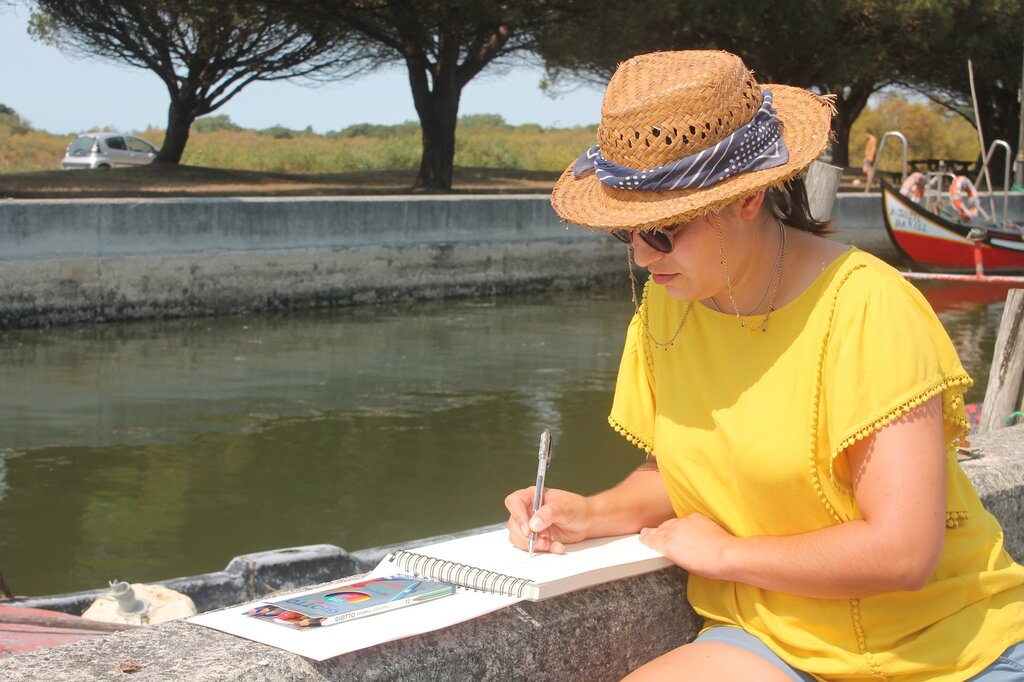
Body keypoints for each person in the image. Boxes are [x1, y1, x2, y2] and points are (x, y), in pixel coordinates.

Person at [504, 51, 1024, 681]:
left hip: (950, 650)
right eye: (626, 233)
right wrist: (590, 514)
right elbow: (688, 471)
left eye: (662, 230)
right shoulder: (668, 309)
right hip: (774, 639)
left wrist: (726, 555)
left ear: (747, 198)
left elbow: (902, 551)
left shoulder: (869, 308)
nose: (642, 256)